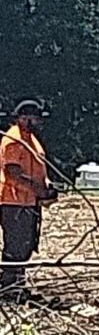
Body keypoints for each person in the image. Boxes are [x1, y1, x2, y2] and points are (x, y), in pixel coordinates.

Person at [0, 100, 54, 297]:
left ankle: (17, 284)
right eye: (34, 118)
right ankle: (9, 287)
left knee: (25, 244)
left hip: (28, 201)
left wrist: (46, 184)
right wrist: (36, 188)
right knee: (15, 244)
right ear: (23, 118)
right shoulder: (14, 139)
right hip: (13, 201)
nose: (38, 122)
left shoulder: (32, 140)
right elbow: (12, 172)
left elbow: (39, 167)